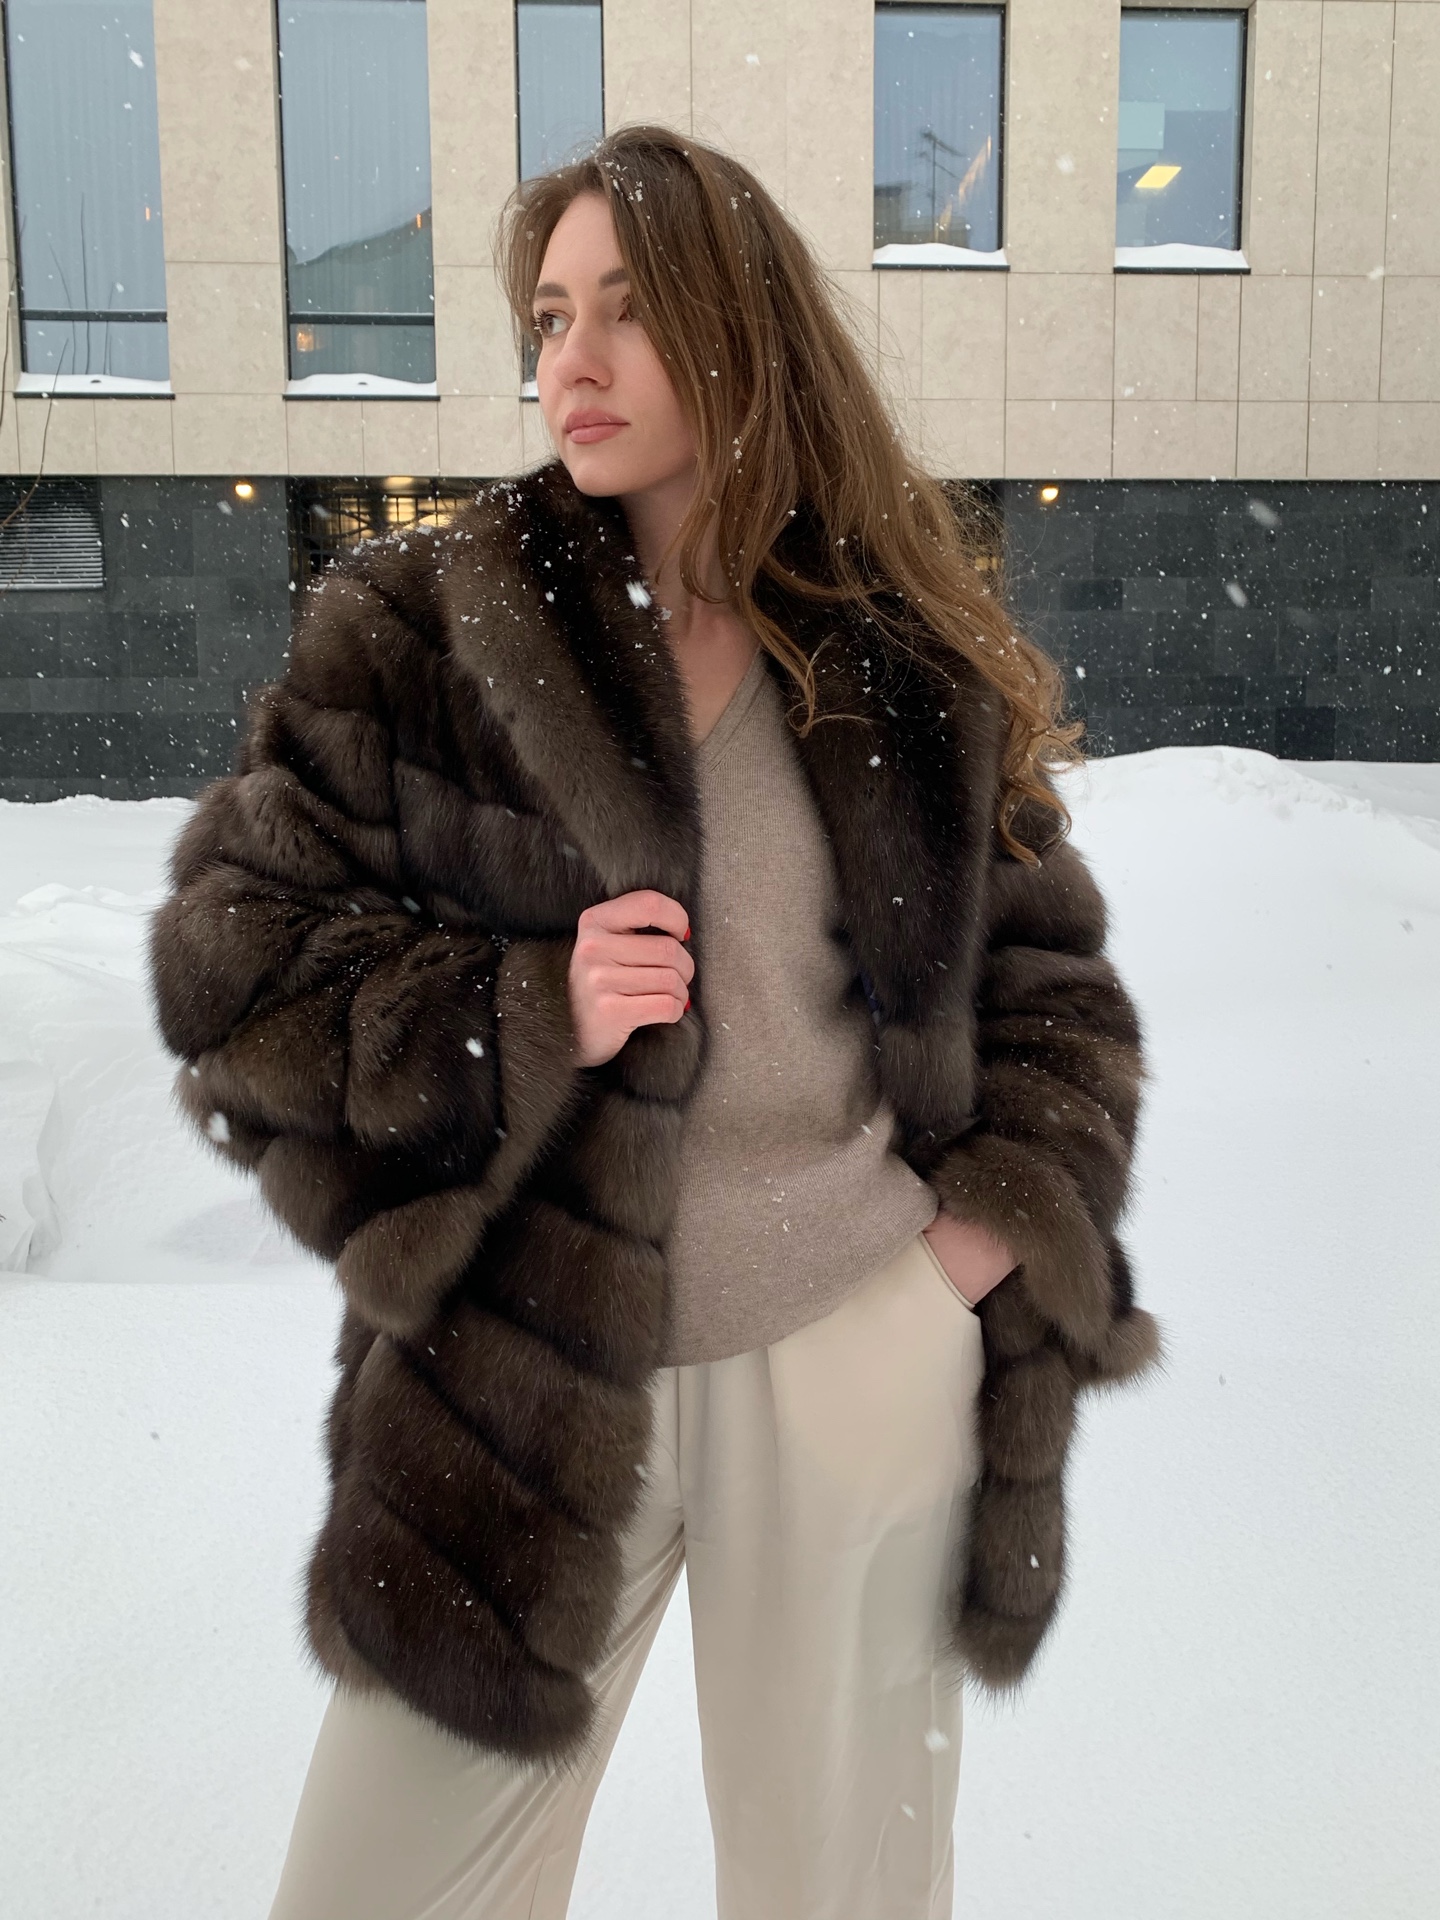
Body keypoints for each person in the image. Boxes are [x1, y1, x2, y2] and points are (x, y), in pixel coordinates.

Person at [148, 125, 1158, 1920]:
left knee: (839, 1894)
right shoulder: (421, 633)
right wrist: (520, 1008)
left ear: (736, 331)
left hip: (847, 1345)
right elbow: (233, 967)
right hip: (517, 1373)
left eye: (627, 309)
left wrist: (961, 1259)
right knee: (374, 1888)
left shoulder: (892, 660)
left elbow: (1054, 1002)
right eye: (550, 317)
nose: (575, 361)